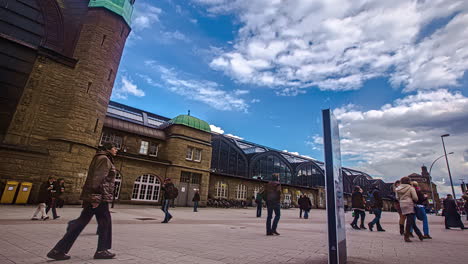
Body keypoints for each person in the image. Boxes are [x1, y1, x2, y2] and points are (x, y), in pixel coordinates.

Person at [46, 142, 118, 260]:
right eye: (115, 148)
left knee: (85, 221)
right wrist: (95, 196)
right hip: (98, 197)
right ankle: (101, 250)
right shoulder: (104, 159)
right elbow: (98, 178)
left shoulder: (102, 158)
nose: (117, 150)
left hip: (97, 196)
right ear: (108, 149)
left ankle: (58, 250)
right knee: (103, 222)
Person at [396, 176, 423, 242]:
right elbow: (415, 197)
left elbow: (397, 197)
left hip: (402, 204)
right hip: (409, 204)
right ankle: (406, 236)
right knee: (409, 220)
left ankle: (419, 234)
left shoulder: (398, 188)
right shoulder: (411, 188)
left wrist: (402, 200)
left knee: (411, 220)